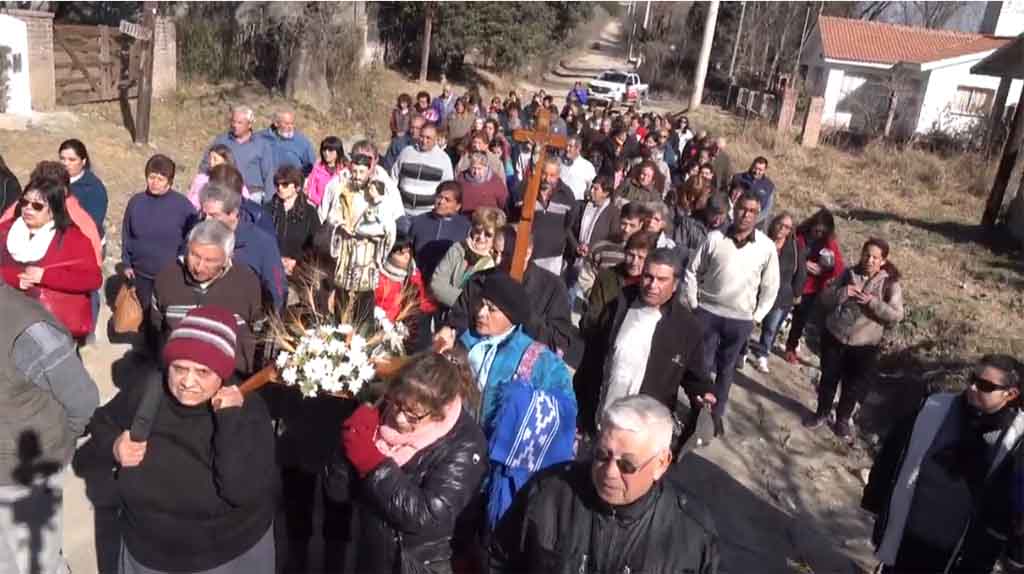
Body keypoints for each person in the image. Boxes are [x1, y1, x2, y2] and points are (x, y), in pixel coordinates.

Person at [90, 306, 278, 574]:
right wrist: (115, 445)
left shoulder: (248, 411)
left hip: (224, 556)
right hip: (146, 552)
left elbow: (240, 491)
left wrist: (229, 418)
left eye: (202, 372)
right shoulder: (149, 389)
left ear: (222, 372)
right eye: (179, 368)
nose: (187, 382)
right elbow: (100, 422)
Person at [489, 395, 719, 574]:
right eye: (601, 455)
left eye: (627, 465)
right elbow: (498, 559)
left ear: (661, 463)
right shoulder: (549, 493)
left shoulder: (691, 535)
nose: (609, 472)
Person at [324, 352, 488, 574]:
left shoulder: (465, 445)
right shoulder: (384, 413)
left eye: (413, 415)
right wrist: (347, 448)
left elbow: (427, 517)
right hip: (373, 554)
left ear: (440, 412)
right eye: (398, 404)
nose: (399, 418)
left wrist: (373, 464)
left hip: (418, 565)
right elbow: (338, 492)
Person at [436, 273, 576, 528]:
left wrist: (523, 404)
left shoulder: (540, 360)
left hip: (497, 470)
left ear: (512, 316)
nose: (481, 312)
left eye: (492, 309)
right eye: (480, 303)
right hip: (452, 460)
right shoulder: (461, 345)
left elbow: (564, 410)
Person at [862, 355, 1024, 574]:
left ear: (1011, 394)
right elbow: (893, 452)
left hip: (960, 552)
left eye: (985, 385)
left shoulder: (1016, 442)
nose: (973, 387)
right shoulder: (934, 408)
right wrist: (874, 496)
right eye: (972, 378)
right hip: (909, 531)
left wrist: (1014, 552)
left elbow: (1014, 504)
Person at [0, 281, 100, 574]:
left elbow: (83, 400)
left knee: (38, 564)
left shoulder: (27, 330)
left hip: (25, 474)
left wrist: (56, 449)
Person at [576, 248, 713, 439]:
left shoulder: (686, 328)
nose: (652, 285)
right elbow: (591, 359)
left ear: (675, 284)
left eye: (662, 279)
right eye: (648, 277)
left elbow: (696, 377)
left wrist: (704, 394)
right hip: (602, 422)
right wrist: (581, 407)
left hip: (644, 435)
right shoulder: (618, 306)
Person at [685, 191, 779, 436]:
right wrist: (694, 304)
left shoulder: (766, 247)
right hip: (707, 312)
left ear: (758, 215)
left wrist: (756, 318)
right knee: (701, 367)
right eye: (742, 209)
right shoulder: (715, 238)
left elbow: (771, 287)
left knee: (726, 371)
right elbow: (692, 271)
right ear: (733, 209)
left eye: (752, 211)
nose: (746, 215)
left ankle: (716, 416)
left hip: (740, 320)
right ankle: (697, 414)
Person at [804, 238, 904, 438]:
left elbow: (896, 316)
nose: (869, 260)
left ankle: (842, 420)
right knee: (828, 379)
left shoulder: (890, 284)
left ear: (883, 261)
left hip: (864, 345)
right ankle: (821, 413)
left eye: (875, 257)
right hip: (835, 336)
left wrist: (873, 302)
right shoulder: (848, 273)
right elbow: (825, 298)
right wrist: (843, 292)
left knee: (853, 385)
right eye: (867, 255)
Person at [441, 229, 581, 368]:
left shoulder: (553, 287)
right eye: (495, 253)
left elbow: (558, 343)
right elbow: (458, 321)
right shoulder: (479, 280)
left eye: (507, 254)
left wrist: (523, 313)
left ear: (527, 252)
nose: (498, 260)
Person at [0, 177, 102, 340]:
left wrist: (45, 277)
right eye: (24, 202)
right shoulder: (5, 231)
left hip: (52, 330)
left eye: (37, 206)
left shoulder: (74, 240)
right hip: (7, 324)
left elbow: (93, 279)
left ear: (53, 209)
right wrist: (13, 278)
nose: (28, 209)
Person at [121, 155, 197, 328]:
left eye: (160, 179)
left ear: (169, 181)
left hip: (170, 276)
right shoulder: (136, 202)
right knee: (145, 319)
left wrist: (182, 261)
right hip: (141, 275)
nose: (154, 182)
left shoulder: (183, 206)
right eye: (151, 177)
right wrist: (126, 263)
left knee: (166, 321)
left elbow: (191, 237)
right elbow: (127, 233)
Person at [199, 182, 286, 311]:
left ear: (233, 213)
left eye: (214, 216)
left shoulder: (262, 243)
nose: (206, 221)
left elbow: (277, 287)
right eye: (204, 214)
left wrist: (272, 322)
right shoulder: (199, 236)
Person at [785, 208, 845, 364]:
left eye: (822, 232)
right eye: (816, 230)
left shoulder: (829, 243)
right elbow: (786, 253)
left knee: (801, 318)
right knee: (778, 312)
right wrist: (803, 264)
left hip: (811, 287)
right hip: (790, 281)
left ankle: (791, 347)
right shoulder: (799, 235)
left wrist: (824, 269)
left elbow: (838, 268)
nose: (818, 234)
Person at [750, 212, 806, 374]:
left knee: (770, 328)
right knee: (749, 322)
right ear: (774, 223)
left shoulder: (795, 248)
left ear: (790, 231)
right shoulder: (761, 240)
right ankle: (742, 350)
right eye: (780, 224)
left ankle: (763, 354)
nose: (782, 229)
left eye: (787, 227)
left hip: (781, 295)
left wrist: (796, 293)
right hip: (757, 291)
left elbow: (801, 272)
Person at [430, 207, 505, 308]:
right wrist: (466, 301)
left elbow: (482, 300)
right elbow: (437, 284)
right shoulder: (457, 249)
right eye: (477, 231)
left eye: (488, 234)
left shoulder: (497, 263)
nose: (481, 238)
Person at [581, 231, 655, 332]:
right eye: (630, 255)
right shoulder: (607, 277)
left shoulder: (652, 286)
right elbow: (592, 315)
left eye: (641, 258)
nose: (634, 262)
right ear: (624, 253)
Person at [199, 105, 275, 202]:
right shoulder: (221, 141)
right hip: (225, 193)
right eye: (233, 121)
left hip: (253, 195)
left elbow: (268, 175)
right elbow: (205, 166)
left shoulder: (262, 144)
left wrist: (269, 202)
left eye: (239, 123)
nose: (235, 125)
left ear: (249, 124)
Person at [576, 201, 650, 297]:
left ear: (641, 225)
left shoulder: (648, 251)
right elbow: (586, 277)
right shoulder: (601, 247)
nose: (626, 229)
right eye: (624, 223)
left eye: (632, 225)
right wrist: (596, 296)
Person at [402, 181, 471, 282]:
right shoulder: (418, 222)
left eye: (447, 200)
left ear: (457, 206)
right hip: (418, 281)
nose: (441, 202)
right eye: (439, 197)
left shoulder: (465, 228)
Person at [267, 165, 321, 281]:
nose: (280, 188)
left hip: (299, 271)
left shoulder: (309, 213)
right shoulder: (267, 209)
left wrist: (297, 261)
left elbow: (315, 246)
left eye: (285, 184)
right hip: (272, 270)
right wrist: (277, 260)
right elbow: (261, 240)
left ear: (297, 187)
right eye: (277, 184)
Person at [525, 159, 576, 276]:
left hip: (553, 257)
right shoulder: (528, 190)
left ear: (558, 176)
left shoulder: (566, 195)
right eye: (544, 173)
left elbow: (569, 223)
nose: (546, 179)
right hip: (529, 254)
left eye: (552, 175)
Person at [392, 124, 455, 216]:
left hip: (427, 214)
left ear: (435, 139)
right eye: (422, 136)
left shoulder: (444, 159)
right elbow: (394, 177)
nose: (424, 141)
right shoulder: (406, 152)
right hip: (402, 211)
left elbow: (447, 188)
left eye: (428, 138)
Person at [59, 138, 108, 240]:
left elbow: (92, 223)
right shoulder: (53, 181)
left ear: (83, 161)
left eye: (72, 160)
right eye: (62, 159)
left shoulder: (94, 188)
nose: (66, 163)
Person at [672, 191, 729, 272]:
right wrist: (699, 256)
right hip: (687, 270)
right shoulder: (689, 223)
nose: (717, 220)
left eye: (721, 215)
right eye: (713, 214)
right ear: (707, 210)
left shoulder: (729, 231)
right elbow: (677, 247)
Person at [187, 145, 254, 209]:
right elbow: (189, 199)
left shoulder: (235, 182)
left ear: (226, 161)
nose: (211, 162)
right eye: (210, 159)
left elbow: (245, 202)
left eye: (215, 159)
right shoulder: (201, 179)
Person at [256, 108, 317, 177]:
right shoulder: (260, 138)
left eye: (292, 123)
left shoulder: (302, 141)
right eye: (287, 124)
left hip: (292, 184)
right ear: (276, 123)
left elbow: (312, 167)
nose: (290, 127)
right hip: (265, 184)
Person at [457, 151, 508, 217]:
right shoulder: (461, 178)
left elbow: (502, 201)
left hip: (488, 219)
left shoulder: (495, 180)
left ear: (486, 168)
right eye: (473, 168)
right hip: (466, 217)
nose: (476, 172)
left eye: (479, 168)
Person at [731, 156, 775, 229]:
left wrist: (753, 221)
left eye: (760, 170)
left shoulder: (769, 186)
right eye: (755, 168)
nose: (756, 172)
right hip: (734, 217)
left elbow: (767, 208)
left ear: (765, 170)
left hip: (756, 224)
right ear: (751, 165)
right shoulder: (738, 178)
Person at [303, 136, 346, 208]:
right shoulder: (317, 169)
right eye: (324, 150)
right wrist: (323, 204)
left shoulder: (344, 170)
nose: (326, 153)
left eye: (330, 150)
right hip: (319, 208)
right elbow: (311, 191)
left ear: (338, 151)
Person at [559, 135, 597, 202]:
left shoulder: (587, 166)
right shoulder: (559, 162)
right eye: (566, 145)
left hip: (575, 204)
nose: (567, 149)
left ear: (578, 148)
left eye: (570, 146)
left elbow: (591, 188)